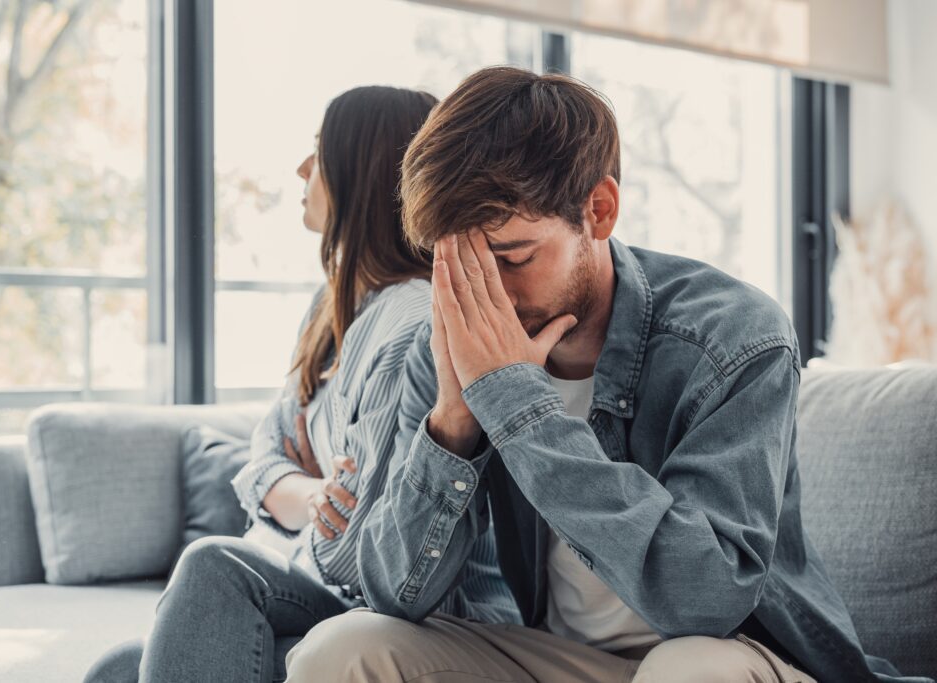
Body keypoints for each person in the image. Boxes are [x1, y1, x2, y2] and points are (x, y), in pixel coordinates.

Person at [283, 67, 932, 683]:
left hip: (730, 657)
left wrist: (516, 405)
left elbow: (704, 599)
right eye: (461, 267)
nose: (488, 300)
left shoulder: (733, 336)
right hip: (564, 659)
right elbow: (392, 591)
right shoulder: (449, 346)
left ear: (599, 210)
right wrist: (453, 424)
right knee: (339, 651)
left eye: (510, 257)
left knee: (687, 671)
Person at [84, 85, 517, 683]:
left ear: (363, 173)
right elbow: (263, 453)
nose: (302, 169)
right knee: (116, 670)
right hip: (330, 591)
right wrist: (312, 495)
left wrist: (289, 503)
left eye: (319, 151)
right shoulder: (330, 309)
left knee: (217, 568)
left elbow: (360, 549)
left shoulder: (412, 324)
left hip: (418, 617)